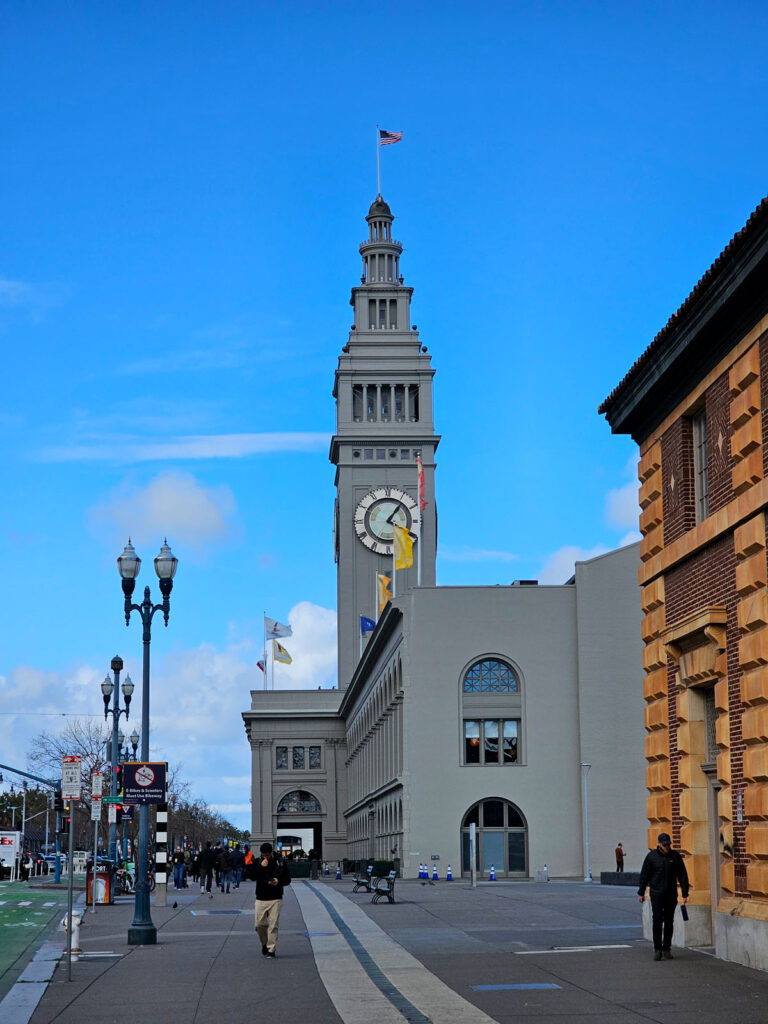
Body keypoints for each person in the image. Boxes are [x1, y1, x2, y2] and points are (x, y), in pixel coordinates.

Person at [638, 832, 689, 960]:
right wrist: (641, 892)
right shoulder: (651, 857)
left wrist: (684, 892)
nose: (667, 846)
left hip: (670, 893)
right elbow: (644, 875)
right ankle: (657, 949)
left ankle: (666, 948)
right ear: (659, 844)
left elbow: (682, 874)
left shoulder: (675, 856)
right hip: (656, 893)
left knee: (669, 921)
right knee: (657, 921)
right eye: (664, 844)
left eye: (668, 844)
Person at [254, 841, 291, 958]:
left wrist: (278, 881)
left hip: (276, 898)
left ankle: (271, 949)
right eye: (263, 855)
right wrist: (261, 867)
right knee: (259, 925)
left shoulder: (280, 862)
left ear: (271, 853)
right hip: (261, 898)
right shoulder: (258, 862)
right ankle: (264, 944)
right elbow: (251, 876)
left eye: (267, 855)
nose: (265, 857)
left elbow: (288, 879)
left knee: (273, 925)